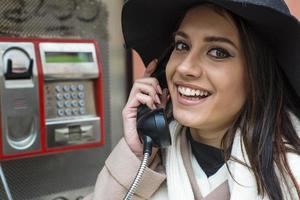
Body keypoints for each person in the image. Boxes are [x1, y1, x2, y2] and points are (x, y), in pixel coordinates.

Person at [84, 0, 300, 199]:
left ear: (258, 76)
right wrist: (135, 154)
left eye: (218, 52)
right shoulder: (147, 160)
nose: (185, 67)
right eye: (182, 46)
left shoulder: (293, 174)